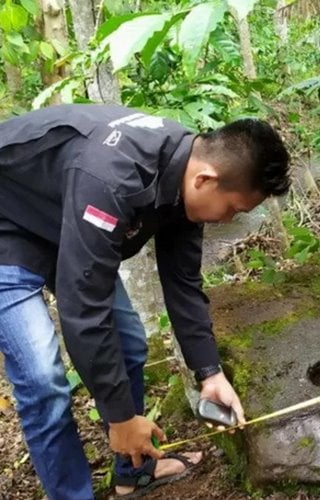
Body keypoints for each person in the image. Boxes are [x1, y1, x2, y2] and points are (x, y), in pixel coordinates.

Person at [0, 104, 290, 498]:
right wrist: (120, 417)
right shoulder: (110, 178)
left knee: (130, 342)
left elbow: (184, 282)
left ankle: (133, 471)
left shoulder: (184, 170)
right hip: (8, 226)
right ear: (206, 180)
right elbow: (83, 305)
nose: (227, 221)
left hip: (63, 218)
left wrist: (210, 373)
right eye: (234, 210)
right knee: (44, 383)